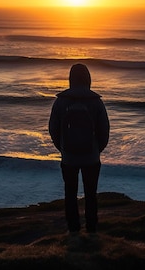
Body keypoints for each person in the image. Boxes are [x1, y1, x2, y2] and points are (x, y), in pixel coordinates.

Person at [49, 64, 110, 234]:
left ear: (70, 78)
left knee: (70, 194)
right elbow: (104, 130)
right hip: (91, 157)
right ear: (88, 79)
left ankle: (73, 229)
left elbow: (53, 129)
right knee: (91, 195)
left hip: (69, 158)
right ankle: (91, 229)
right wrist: (97, 149)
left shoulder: (60, 101)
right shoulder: (96, 102)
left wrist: (62, 148)